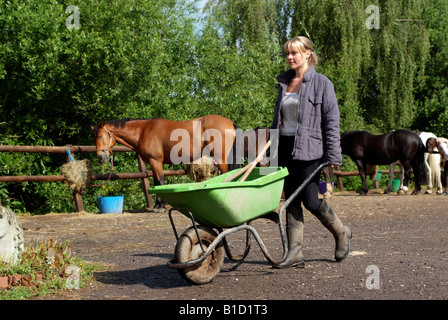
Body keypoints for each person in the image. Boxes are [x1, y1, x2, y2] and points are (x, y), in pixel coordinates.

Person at [271, 36, 352, 268]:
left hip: (310, 149)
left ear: (308, 54)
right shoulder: (284, 83)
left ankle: (342, 232)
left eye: (294, 53)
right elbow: (279, 119)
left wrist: (333, 155)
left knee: (311, 200)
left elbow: (331, 121)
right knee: (291, 201)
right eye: (287, 53)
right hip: (285, 149)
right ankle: (295, 252)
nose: (289, 57)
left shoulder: (322, 83)